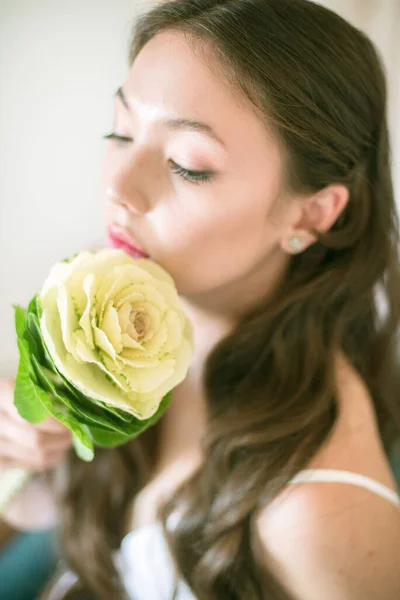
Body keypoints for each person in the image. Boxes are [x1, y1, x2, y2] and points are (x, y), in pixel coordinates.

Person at [1, 0, 400, 599]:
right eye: (120, 130)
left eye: (188, 166)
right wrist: (25, 472)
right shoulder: (108, 308)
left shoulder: (318, 513)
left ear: (311, 213)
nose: (117, 186)